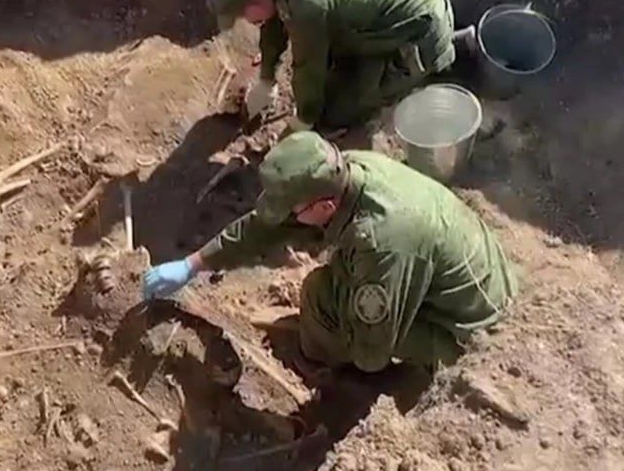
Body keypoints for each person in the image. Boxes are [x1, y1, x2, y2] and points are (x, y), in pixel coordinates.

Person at [143, 132, 517, 373]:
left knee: (320, 297)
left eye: (292, 212)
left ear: (324, 206)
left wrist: (344, 335)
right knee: (342, 274)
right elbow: (265, 226)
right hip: (466, 274)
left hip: (469, 331)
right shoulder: (341, 170)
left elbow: (372, 354)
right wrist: (193, 264)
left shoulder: (379, 242)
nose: (289, 219)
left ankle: (323, 370)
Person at [207, 0, 457, 132]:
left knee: (332, 112)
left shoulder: (306, 4)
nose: (247, 22)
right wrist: (267, 79)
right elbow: (274, 20)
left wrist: (304, 120)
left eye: (242, 16)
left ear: (253, 3)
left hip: (423, 26)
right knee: (334, 57)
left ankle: (451, 53)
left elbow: (309, 68)